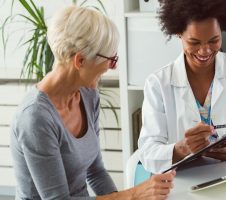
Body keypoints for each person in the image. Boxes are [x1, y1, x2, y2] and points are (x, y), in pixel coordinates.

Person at [10, 6, 175, 200]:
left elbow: (95, 172)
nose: (113, 67)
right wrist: (133, 195)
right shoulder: (35, 118)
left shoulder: (88, 95)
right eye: (111, 59)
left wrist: (128, 198)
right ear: (80, 61)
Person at [138, 0, 226, 173]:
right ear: (179, 33)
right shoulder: (158, 84)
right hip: (181, 182)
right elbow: (148, 153)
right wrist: (182, 149)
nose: (204, 50)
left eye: (213, 40)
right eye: (194, 42)